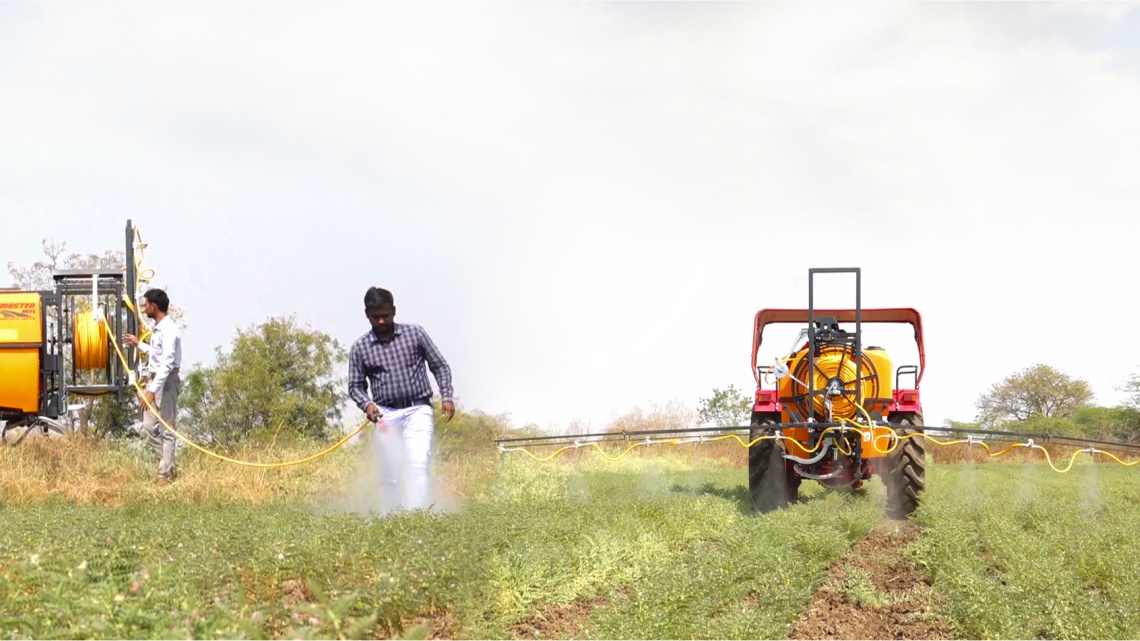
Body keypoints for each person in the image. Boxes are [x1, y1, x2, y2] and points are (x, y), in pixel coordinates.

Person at [348, 286, 454, 510]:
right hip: (386, 416)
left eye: (385, 315)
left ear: (394, 311)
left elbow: (440, 366)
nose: (381, 322)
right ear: (366, 314)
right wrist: (367, 405)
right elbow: (355, 386)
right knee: (390, 471)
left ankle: (418, 518)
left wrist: (446, 396)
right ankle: (391, 520)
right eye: (375, 317)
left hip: (418, 410)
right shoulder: (360, 348)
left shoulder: (415, 334)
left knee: (417, 464)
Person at [123, 288, 182, 482]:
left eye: (146, 304)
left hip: (165, 383)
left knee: (167, 429)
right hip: (154, 380)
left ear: (153, 306)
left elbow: (166, 364)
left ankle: (165, 475)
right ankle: (167, 463)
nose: (144, 307)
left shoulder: (170, 330)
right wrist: (139, 344)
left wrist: (151, 391)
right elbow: (157, 353)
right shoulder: (158, 329)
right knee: (149, 427)